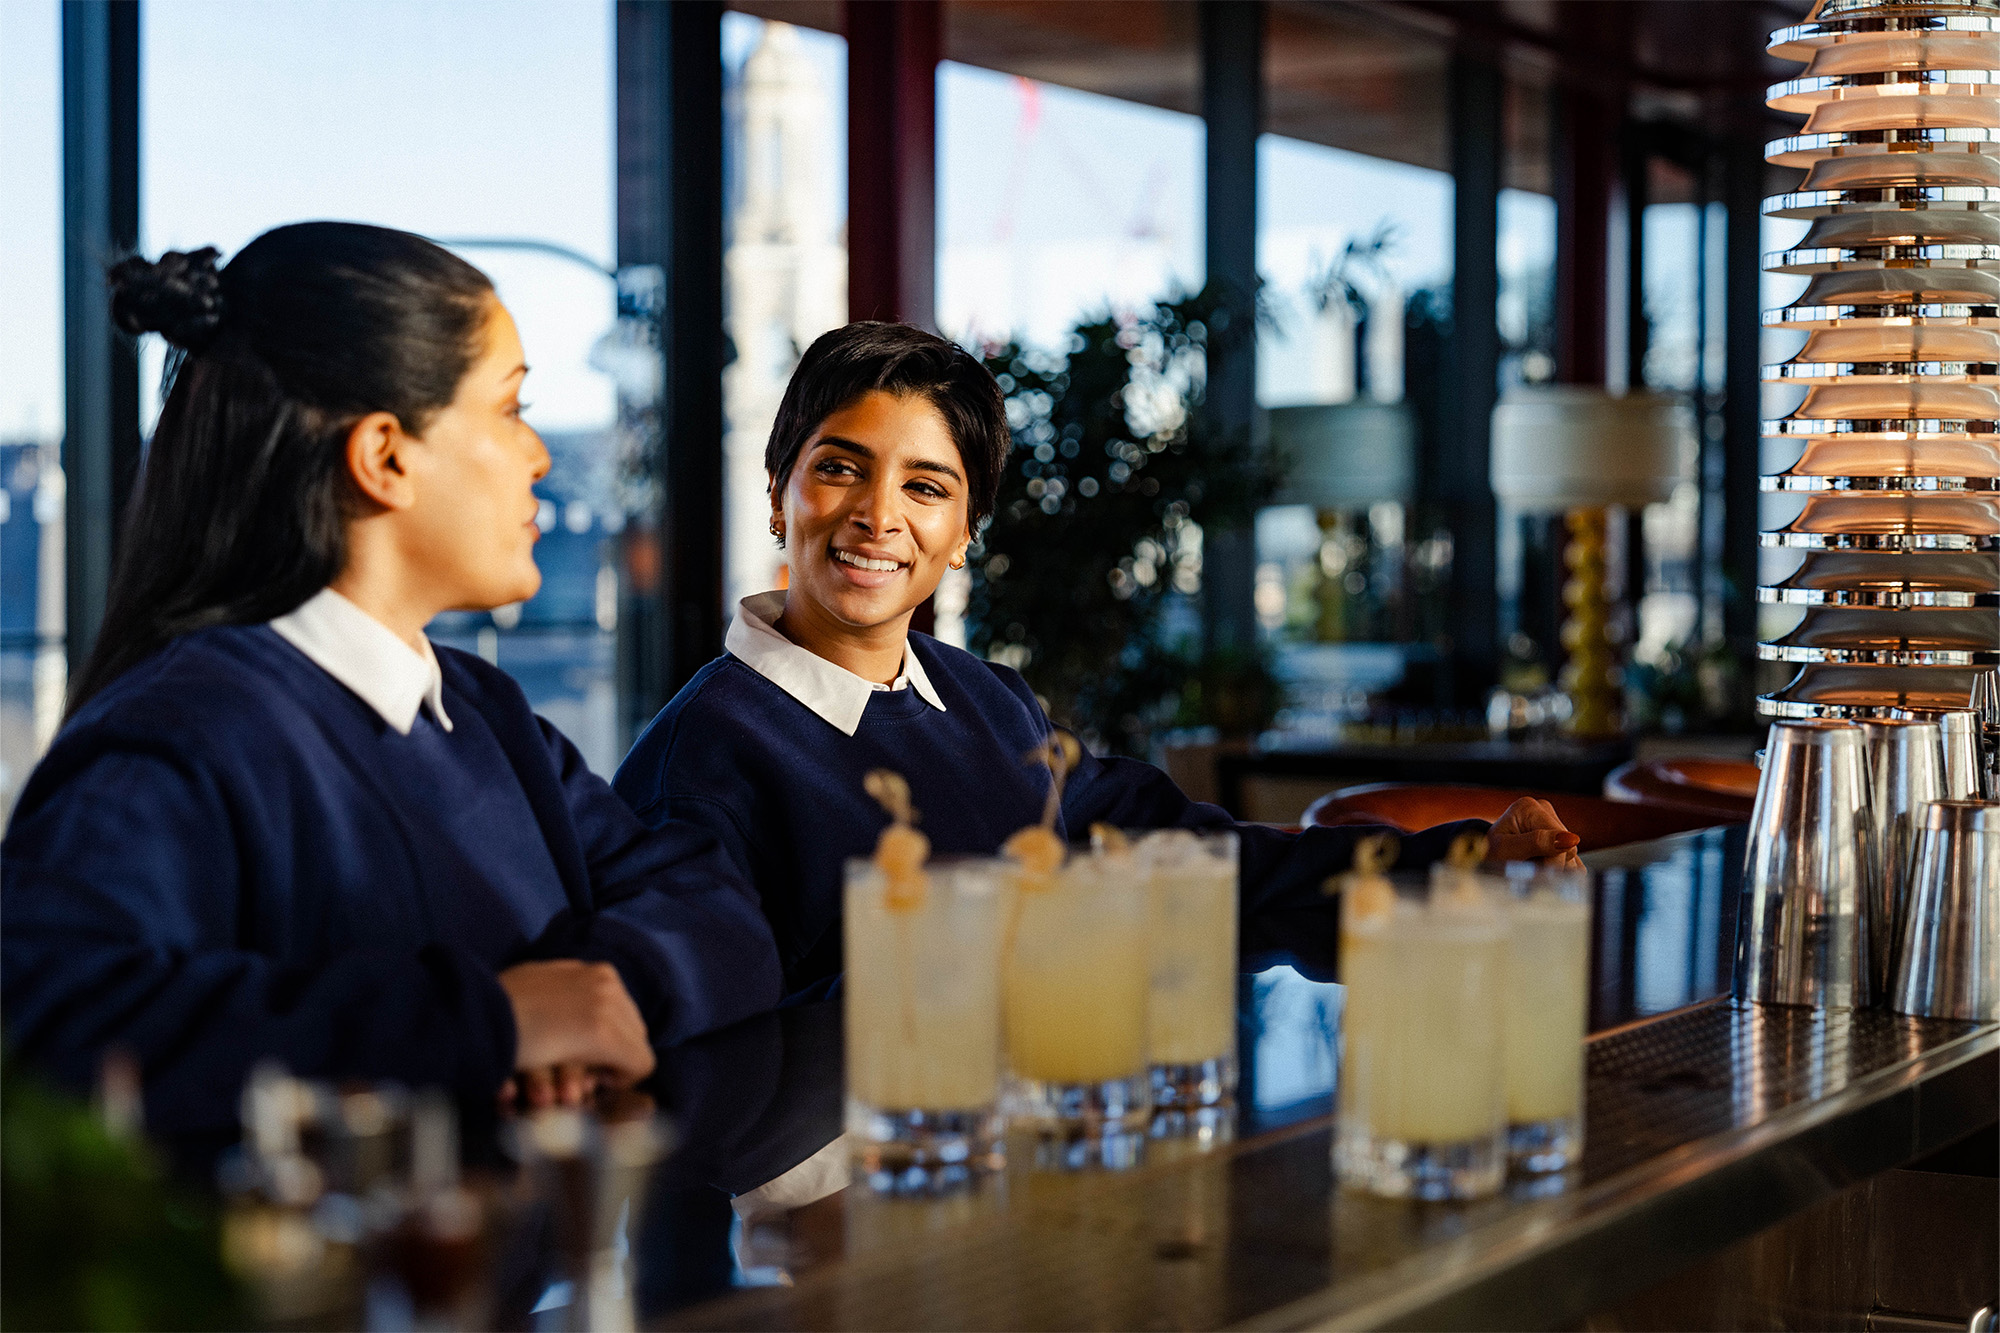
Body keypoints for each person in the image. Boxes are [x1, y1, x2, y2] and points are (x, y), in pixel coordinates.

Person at [1, 223, 781, 1142]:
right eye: (511, 408)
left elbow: (712, 906)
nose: (539, 456)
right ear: (386, 457)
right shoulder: (178, 737)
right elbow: (50, 1030)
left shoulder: (483, 713)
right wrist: (490, 1024)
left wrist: (602, 998)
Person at [612, 321, 1579, 1000]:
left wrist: (1458, 863)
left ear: (960, 537)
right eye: (839, 467)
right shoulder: (698, 759)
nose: (878, 515)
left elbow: (1194, 862)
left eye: (926, 485)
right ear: (779, 490)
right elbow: (698, 1037)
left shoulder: (987, 701)